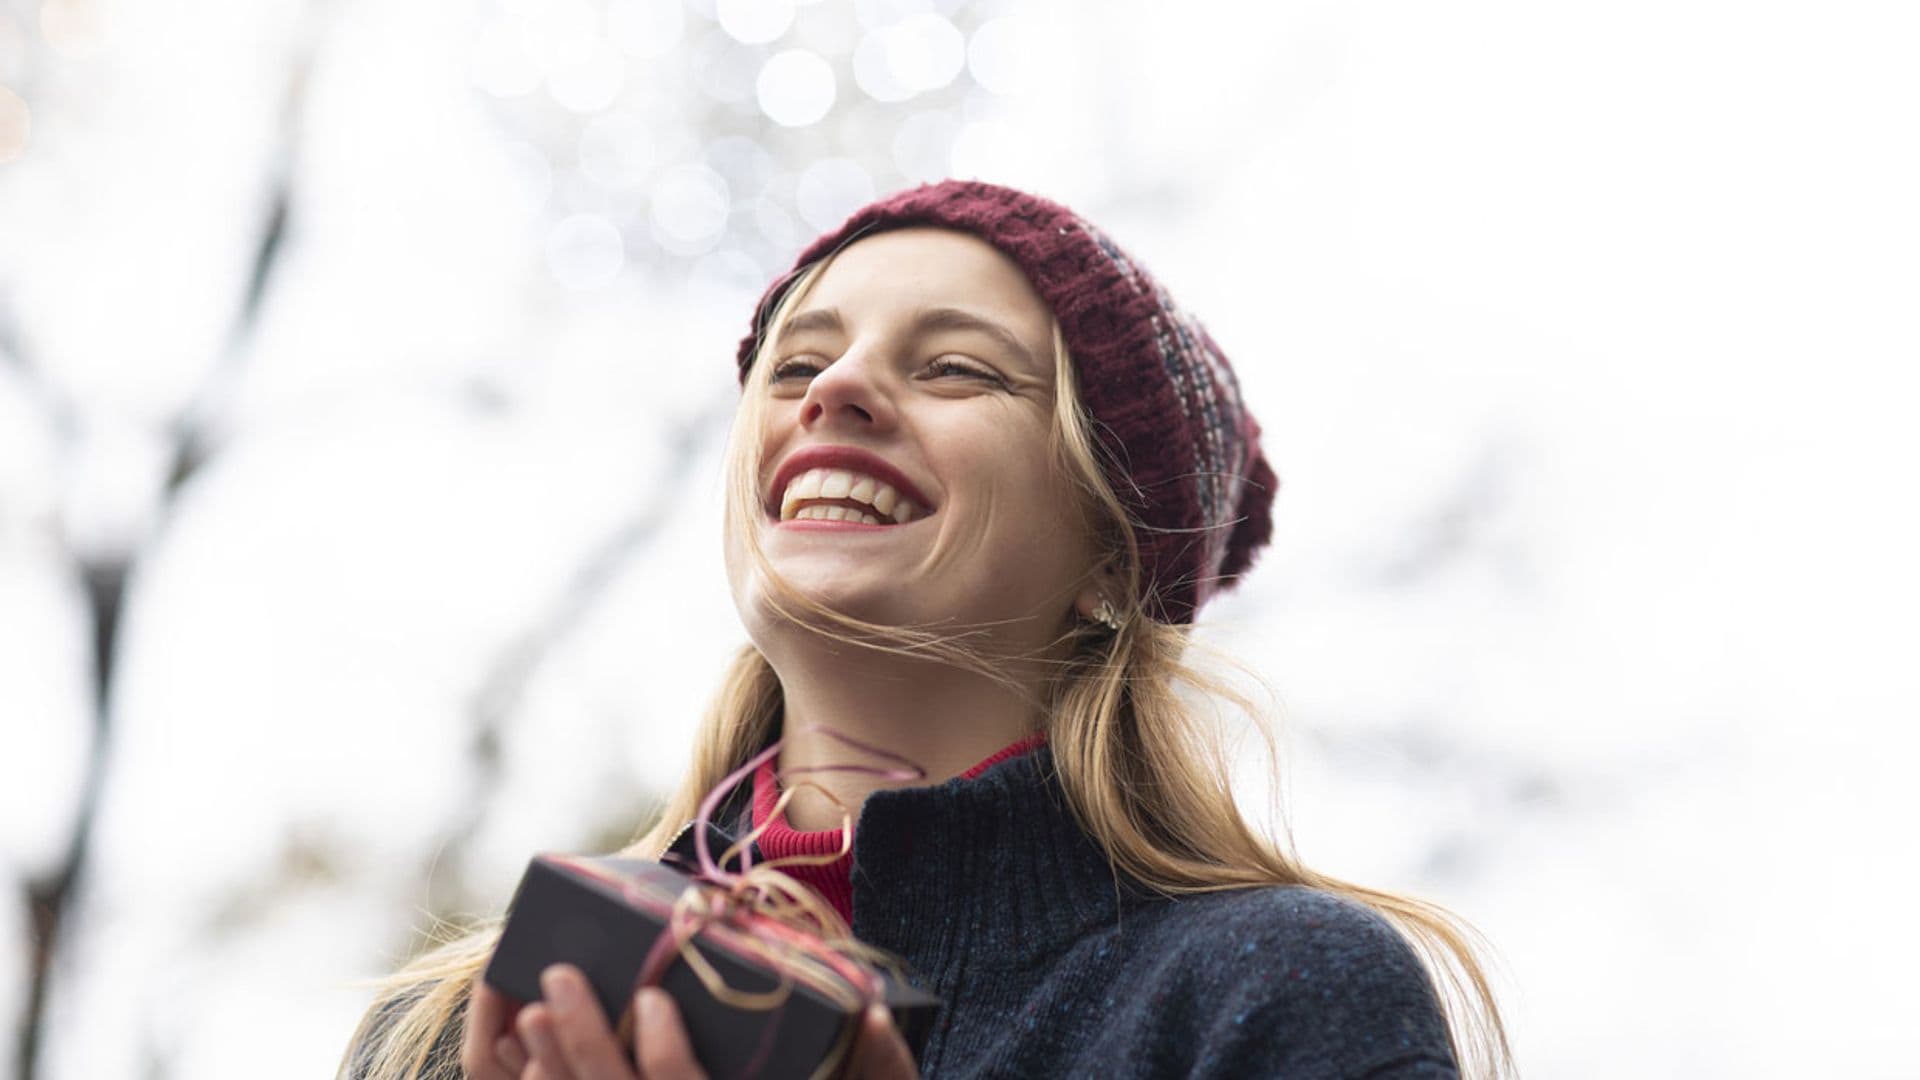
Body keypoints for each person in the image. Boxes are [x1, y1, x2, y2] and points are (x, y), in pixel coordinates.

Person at [337, 180, 1512, 1079]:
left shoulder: (1270, 995)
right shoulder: (455, 1026)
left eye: (956, 369)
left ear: (1113, 557)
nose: (832, 390)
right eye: (799, 360)